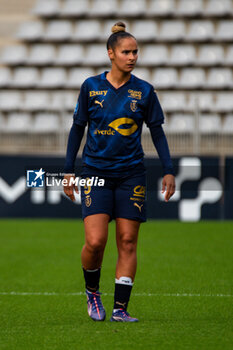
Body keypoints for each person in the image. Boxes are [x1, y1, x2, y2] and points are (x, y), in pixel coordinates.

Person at [63, 22, 175, 322]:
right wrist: (68, 171)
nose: (132, 56)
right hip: (95, 173)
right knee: (95, 242)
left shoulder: (145, 91)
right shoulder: (90, 87)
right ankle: (93, 293)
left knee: (127, 241)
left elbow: (158, 133)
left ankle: (120, 309)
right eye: (126, 51)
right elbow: (77, 130)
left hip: (131, 174)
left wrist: (168, 170)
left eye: (135, 51)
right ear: (111, 54)